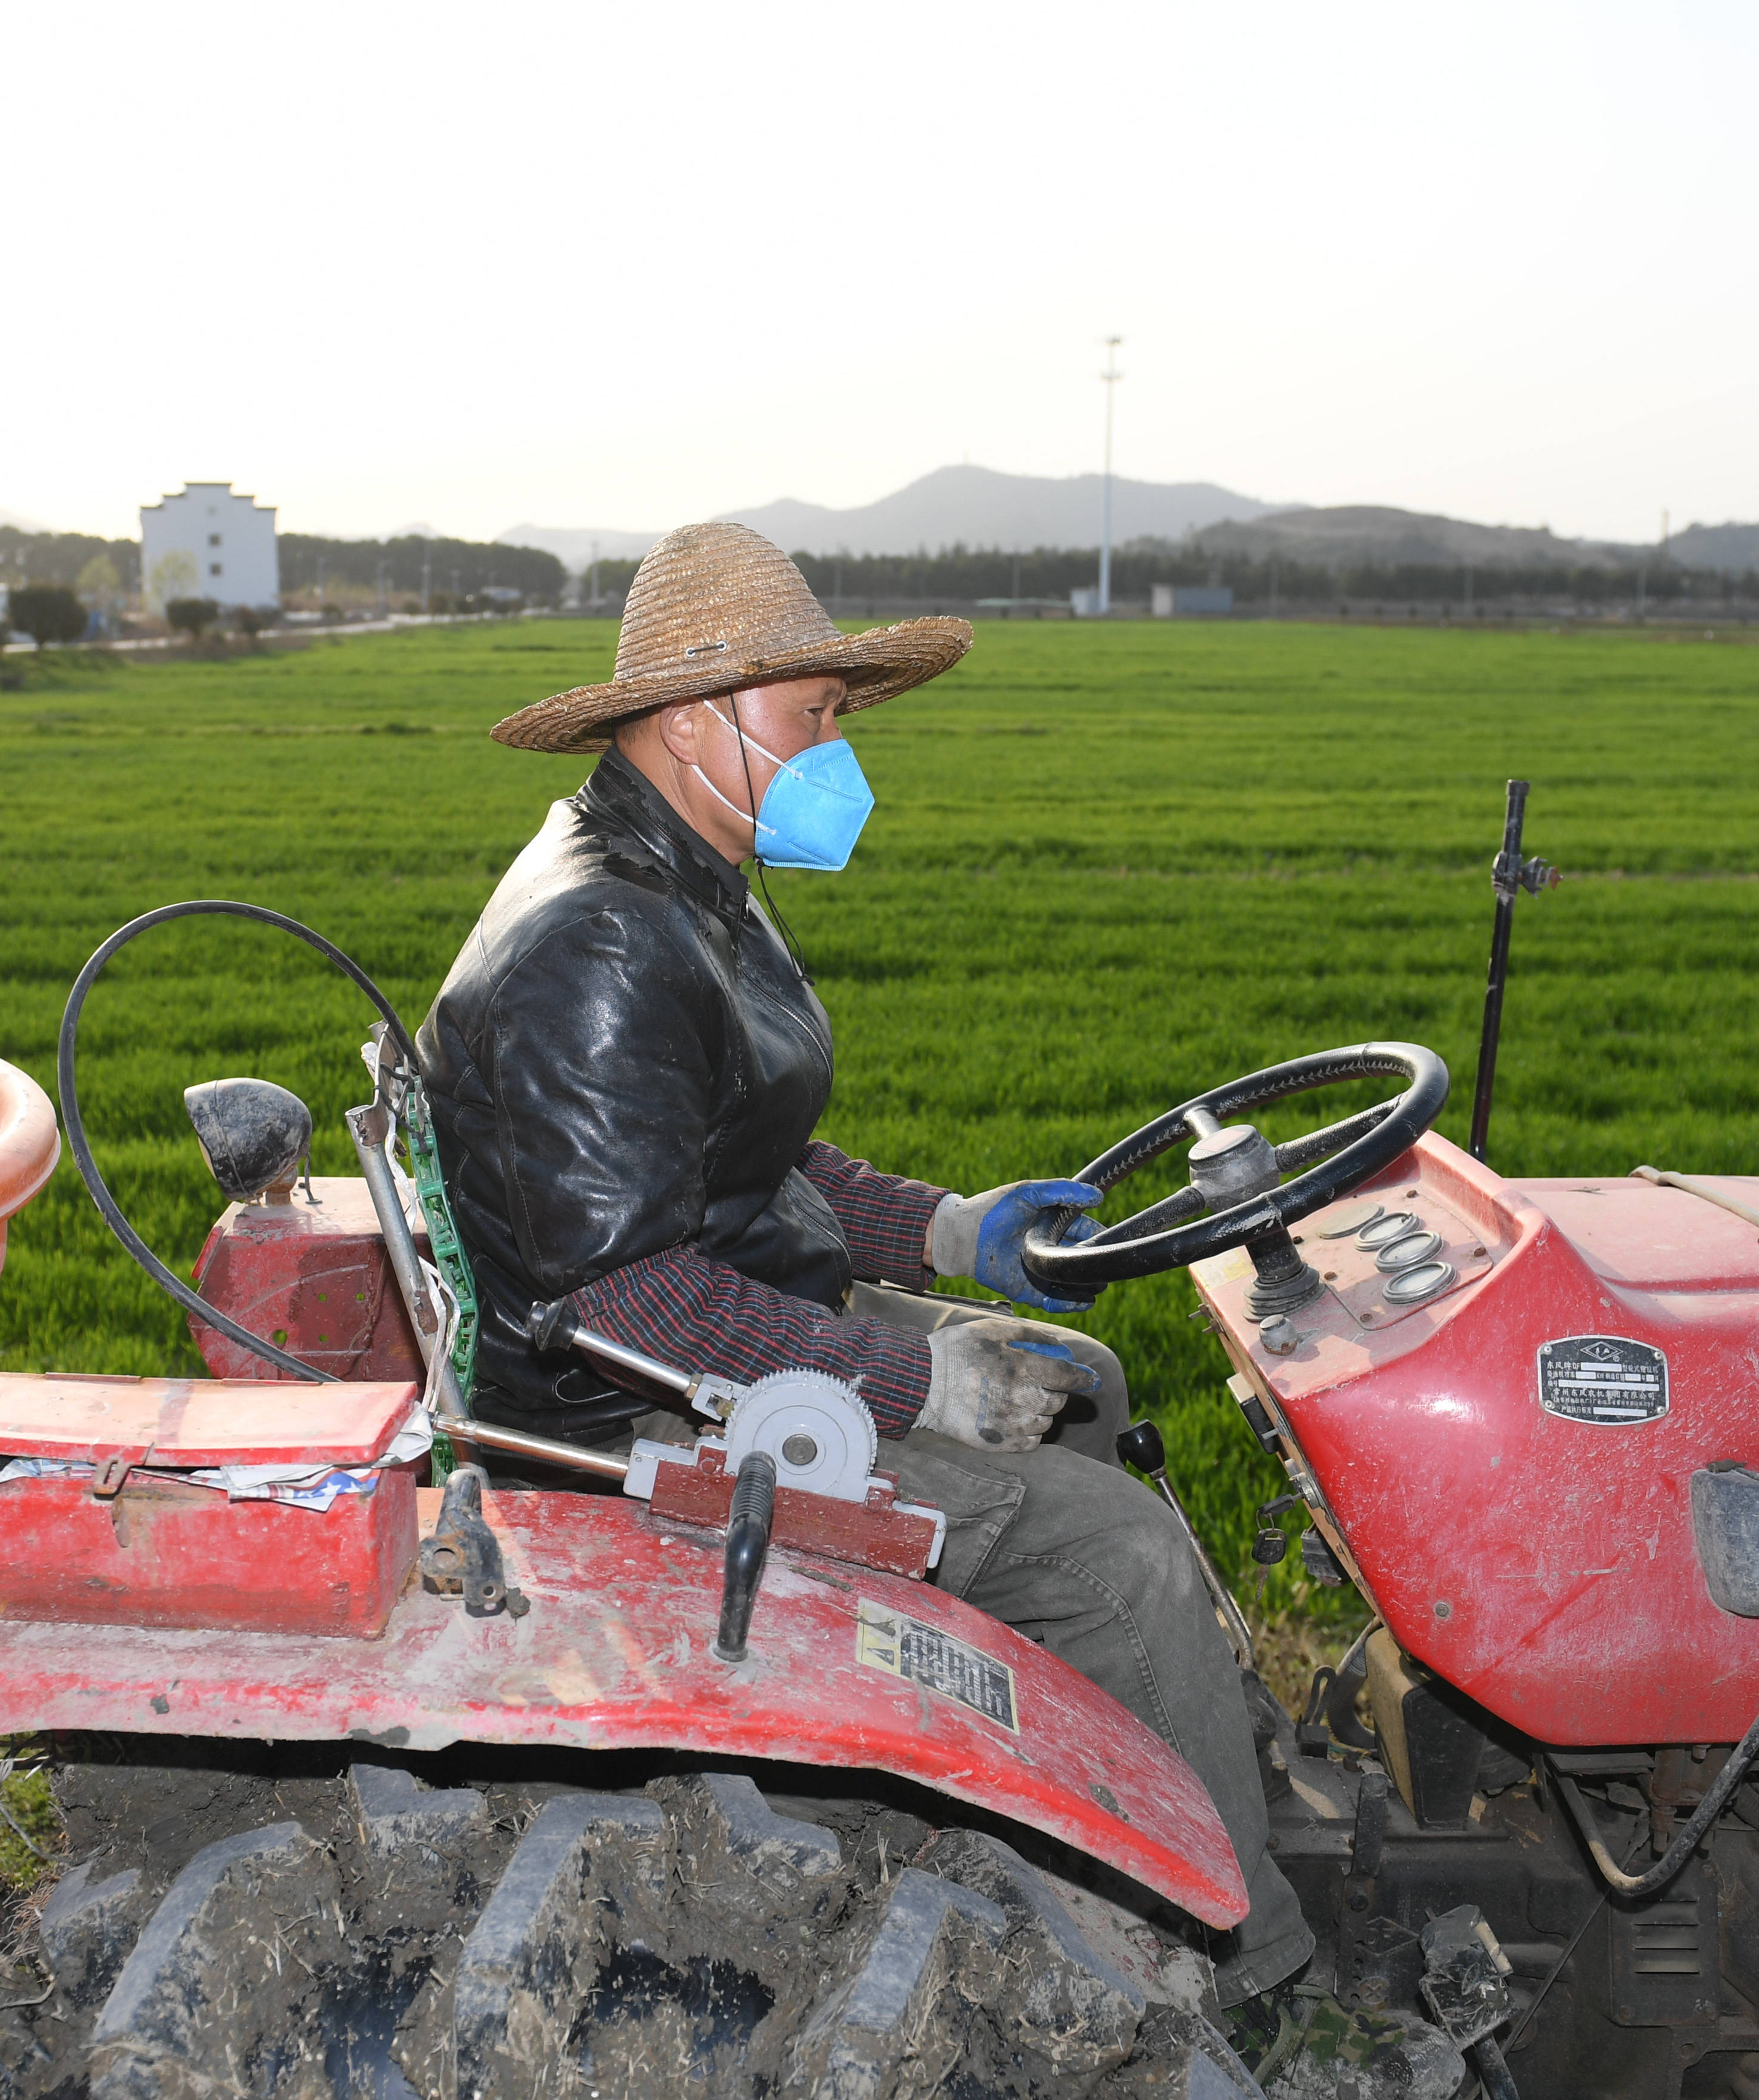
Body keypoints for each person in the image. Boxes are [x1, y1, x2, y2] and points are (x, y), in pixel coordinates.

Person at [415, 523, 1314, 2014]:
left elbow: (749, 1160)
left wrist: (956, 1232)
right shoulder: (607, 939)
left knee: (1079, 1381)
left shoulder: (692, 874)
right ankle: (1251, 1963)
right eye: (814, 715)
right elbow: (619, 1297)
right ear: (696, 718)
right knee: (1120, 1554)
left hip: (718, 1322)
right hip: (624, 1413)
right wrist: (912, 1375)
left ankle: (1089, 1787)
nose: (841, 748)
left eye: (840, 711)